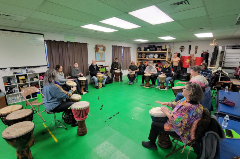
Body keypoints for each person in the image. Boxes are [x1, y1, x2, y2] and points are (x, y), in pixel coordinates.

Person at [142, 82, 203, 150]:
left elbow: (177, 124)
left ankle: (151, 143)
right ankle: (163, 138)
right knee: (160, 119)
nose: (182, 88)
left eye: (184, 88)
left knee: (154, 124)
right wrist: (167, 103)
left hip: (182, 132)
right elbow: (177, 104)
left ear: (190, 92)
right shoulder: (190, 101)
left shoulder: (187, 107)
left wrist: (167, 113)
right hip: (184, 126)